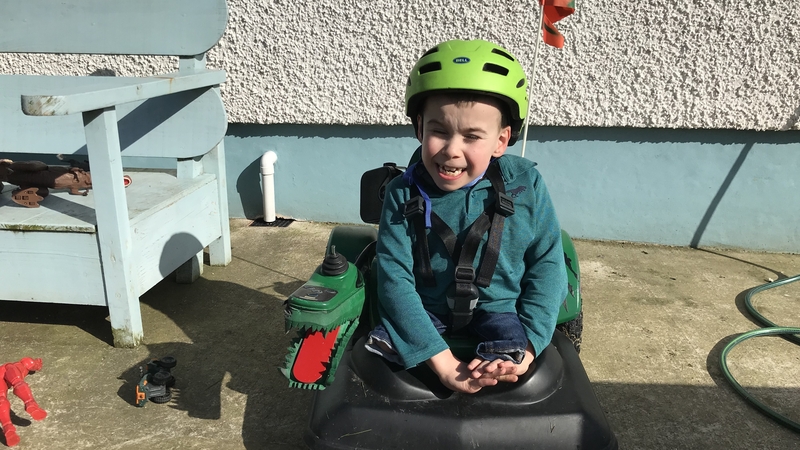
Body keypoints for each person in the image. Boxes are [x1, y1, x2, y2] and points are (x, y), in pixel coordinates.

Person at [365, 39, 568, 394]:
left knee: (514, 357)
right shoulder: (401, 191)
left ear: (501, 141)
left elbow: (548, 265)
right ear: (419, 128)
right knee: (375, 354)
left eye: (472, 136)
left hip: (501, 310)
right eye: (439, 131)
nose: (452, 150)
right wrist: (444, 365)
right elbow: (394, 279)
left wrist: (529, 349)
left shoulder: (528, 185)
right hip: (425, 309)